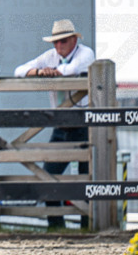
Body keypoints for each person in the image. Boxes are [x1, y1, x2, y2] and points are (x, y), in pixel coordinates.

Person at [14, 19, 96, 228]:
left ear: (74, 40)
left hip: (84, 124)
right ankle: (56, 225)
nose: (59, 46)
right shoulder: (51, 57)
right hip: (61, 124)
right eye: (56, 42)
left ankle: (87, 225)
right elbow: (20, 70)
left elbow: (76, 68)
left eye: (63, 41)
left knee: (86, 179)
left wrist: (52, 72)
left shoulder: (85, 53)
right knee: (48, 176)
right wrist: (41, 72)